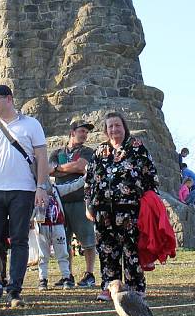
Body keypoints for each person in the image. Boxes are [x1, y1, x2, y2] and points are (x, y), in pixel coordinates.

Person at [0, 84, 50, 308]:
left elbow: (41, 157)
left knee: (19, 240)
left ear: (9, 99)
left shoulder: (31, 124)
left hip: (23, 191)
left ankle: (14, 290)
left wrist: (41, 187)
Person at [84, 111, 159, 301]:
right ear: (106, 130)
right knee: (107, 251)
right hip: (103, 211)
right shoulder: (99, 151)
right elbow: (89, 180)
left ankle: (134, 288)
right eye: (110, 126)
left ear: (124, 127)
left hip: (130, 209)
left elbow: (151, 176)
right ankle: (110, 288)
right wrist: (88, 205)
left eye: (117, 125)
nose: (114, 129)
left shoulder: (137, 147)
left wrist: (151, 203)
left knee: (131, 250)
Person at [49, 120, 96, 288]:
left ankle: (89, 274)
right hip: (61, 202)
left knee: (87, 239)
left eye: (86, 132)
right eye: (82, 131)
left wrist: (59, 169)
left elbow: (82, 166)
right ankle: (67, 275)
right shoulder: (57, 152)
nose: (84, 135)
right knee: (63, 240)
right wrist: (71, 168)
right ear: (72, 132)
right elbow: (49, 169)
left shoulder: (88, 151)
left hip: (80, 200)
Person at [35, 184, 72, 290]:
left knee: (62, 253)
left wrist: (85, 178)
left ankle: (66, 277)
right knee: (43, 254)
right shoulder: (35, 190)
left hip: (58, 226)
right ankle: (43, 279)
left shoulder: (56, 189)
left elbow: (71, 187)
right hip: (42, 227)